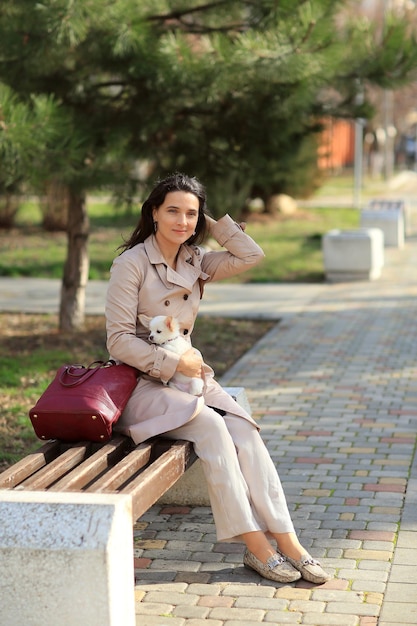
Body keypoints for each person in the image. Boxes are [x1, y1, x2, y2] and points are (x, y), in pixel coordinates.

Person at [105, 172, 331, 584]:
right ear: (153, 212)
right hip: (143, 383)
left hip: (190, 377)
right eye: (172, 210)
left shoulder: (195, 259)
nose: (181, 221)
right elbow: (118, 341)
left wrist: (213, 224)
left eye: (190, 214)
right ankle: (258, 548)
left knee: (243, 428)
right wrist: (174, 365)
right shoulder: (131, 263)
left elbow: (251, 255)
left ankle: (289, 540)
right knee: (211, 425)